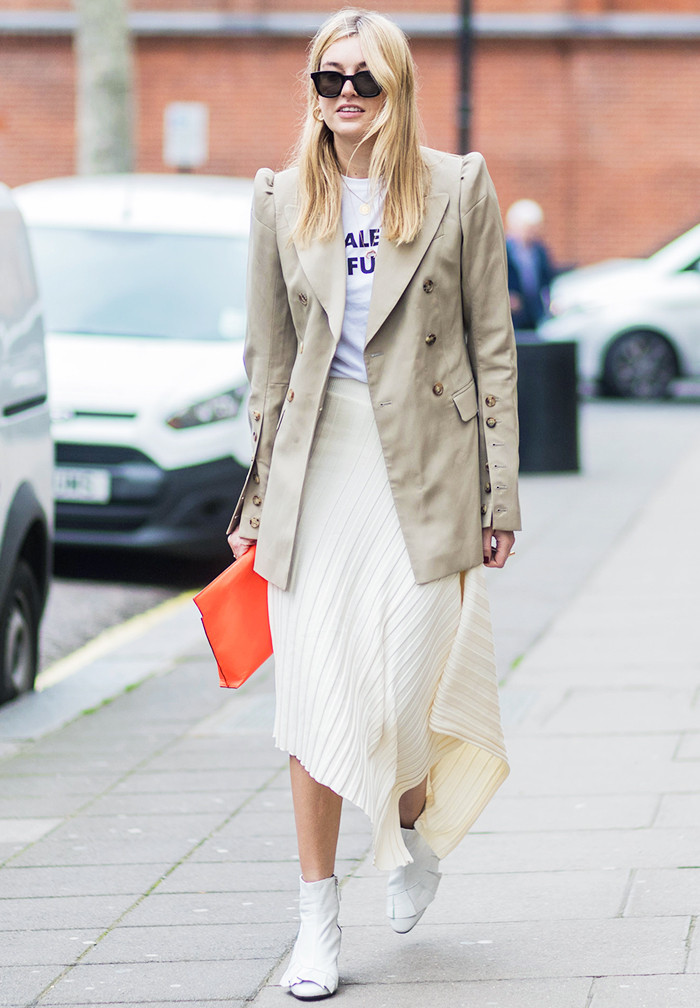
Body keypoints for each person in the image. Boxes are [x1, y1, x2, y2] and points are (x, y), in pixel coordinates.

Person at [227, 8, 520, 1000]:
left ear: (397, 88)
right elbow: (267, 366)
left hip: (426, 472)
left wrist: (500, 495)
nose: (345, 95)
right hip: (318, 472)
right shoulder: (279, 199)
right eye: (328, 78)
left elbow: (491, 349)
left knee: (403, 691)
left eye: (364, 79)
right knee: (314, 702)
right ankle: (317, 921)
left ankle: (407, 829)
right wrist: (256, 505)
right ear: (311, 91)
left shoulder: (457, 186)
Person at [505, 197, 557, 332]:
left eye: (535, 228)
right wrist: (506, 297)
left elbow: (546, 280)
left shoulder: (539, 251)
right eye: (529, 228)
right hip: (511, 316)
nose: (533, 232)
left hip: (534, 313)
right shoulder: (502, 250)